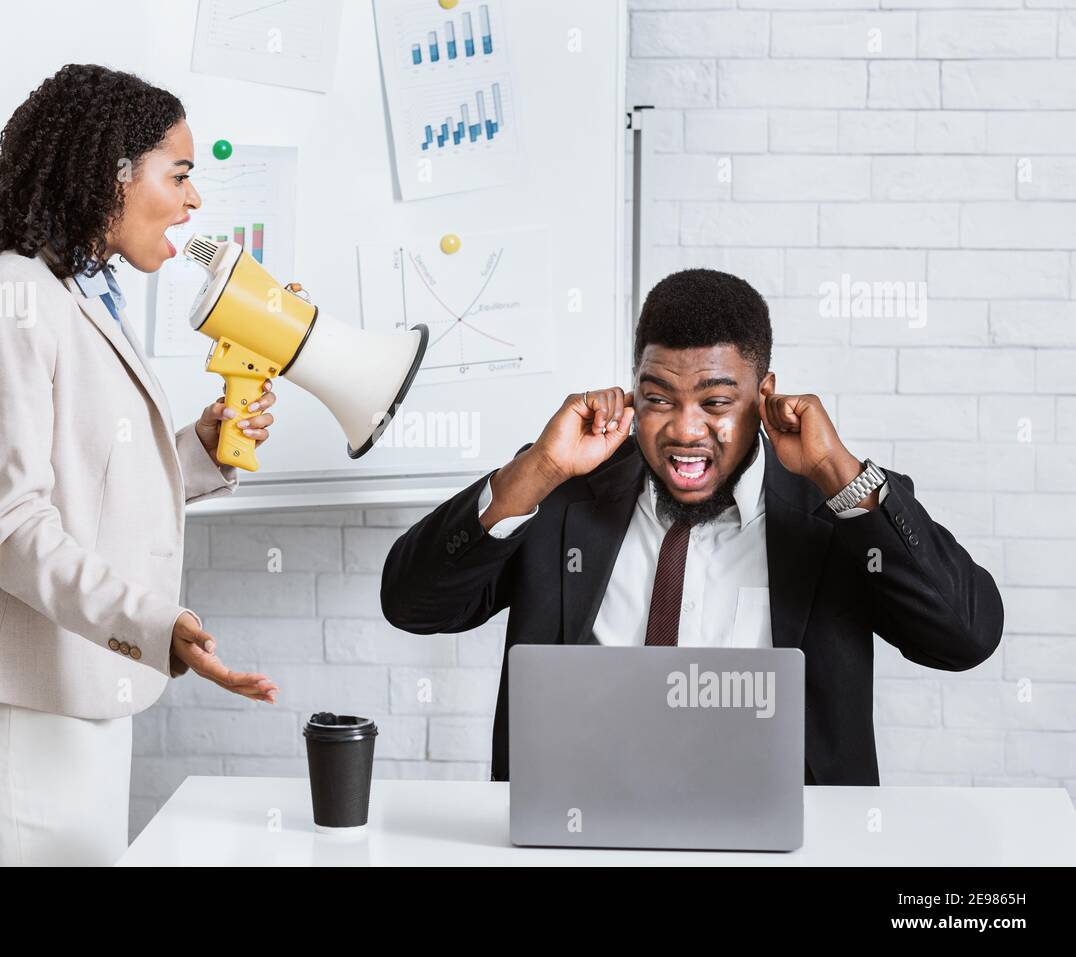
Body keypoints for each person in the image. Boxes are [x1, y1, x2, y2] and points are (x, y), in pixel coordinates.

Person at [380, 267, 1004, 786]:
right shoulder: (564, 493)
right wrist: (539, 469)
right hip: (580, 833)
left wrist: (838, 473)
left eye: (714, 402)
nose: (683, 429)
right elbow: (412, 603)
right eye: (658, 399)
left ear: (764, 396)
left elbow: (964, 638)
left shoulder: (837, 508)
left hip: (783, 843)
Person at [0, 64, 278, 865]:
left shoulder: (80, 292)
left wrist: (201, 451)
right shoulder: (13, 296)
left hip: (73, 686)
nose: (193, 200)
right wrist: (153, 624)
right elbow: (9, 526)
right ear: (112, 173)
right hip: (18, 703)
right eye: (178, 174)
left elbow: (90, 480)